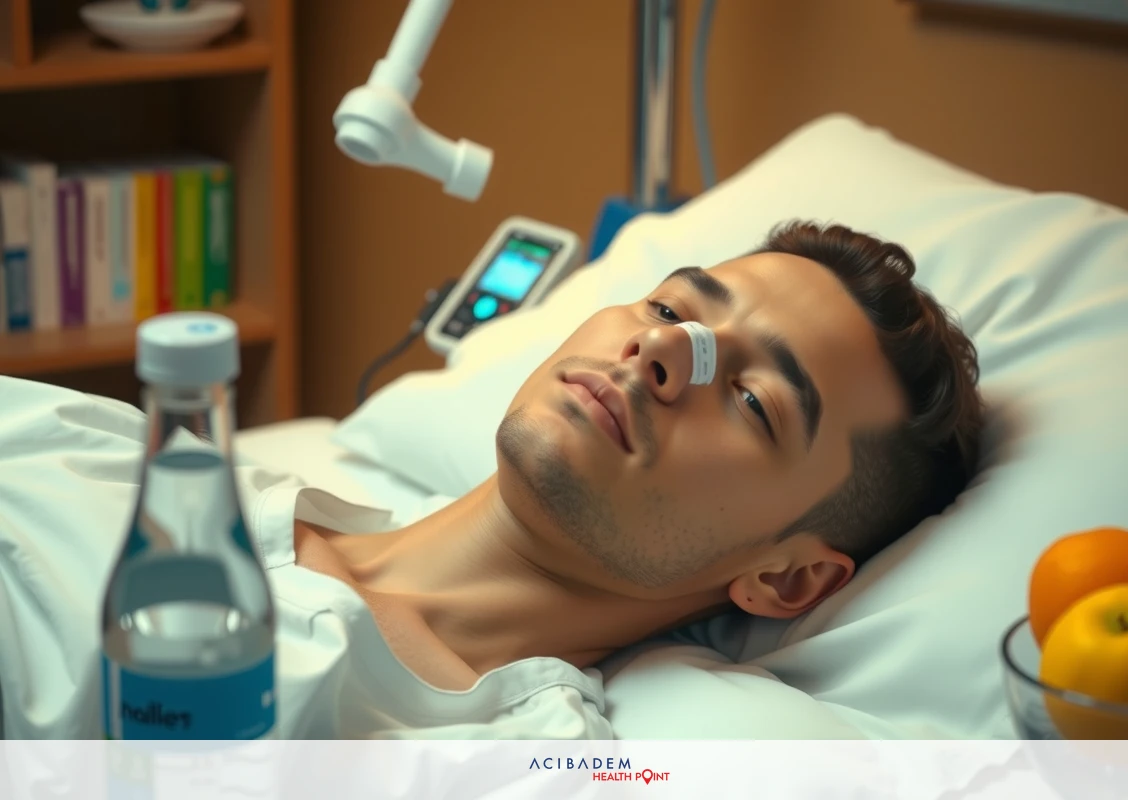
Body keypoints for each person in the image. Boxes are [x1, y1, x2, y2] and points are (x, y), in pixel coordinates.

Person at [0, 220, 983, 741]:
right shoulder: (95, 441)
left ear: (788, 578)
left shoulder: (504, 766)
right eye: (670, 305)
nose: (660, 352)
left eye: (755, 400)